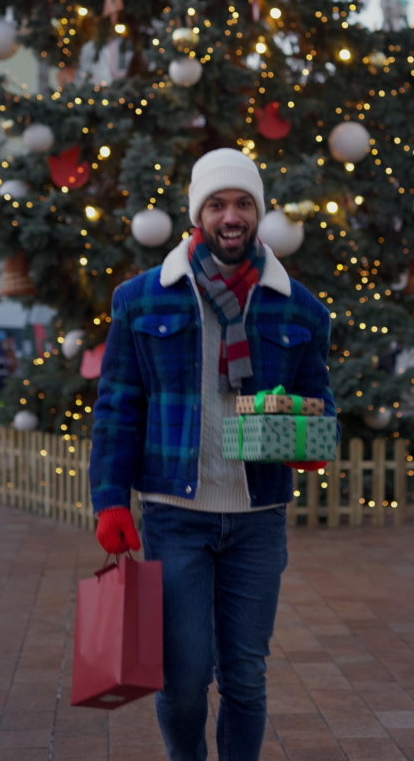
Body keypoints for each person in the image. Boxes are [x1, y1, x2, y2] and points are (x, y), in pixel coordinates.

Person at [89, 148, 336, 761]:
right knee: (184, 675)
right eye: (218, 204)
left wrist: (306, 440)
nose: (232, 216)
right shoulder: (143, 300)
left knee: (246, 676)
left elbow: (319, 401)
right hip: (176, 512)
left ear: (258, 213)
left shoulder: (299, 307)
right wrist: (110, 501)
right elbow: (118, 406)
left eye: (243, 204)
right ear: (198, 214)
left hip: (258, 517)